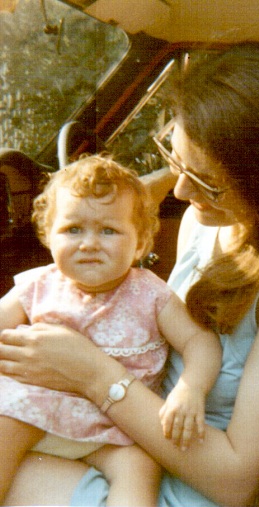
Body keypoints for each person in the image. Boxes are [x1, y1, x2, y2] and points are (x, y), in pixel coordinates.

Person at [0, 42, 259, 506]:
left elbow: (236, 481)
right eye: (176, 160)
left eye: (207, 179)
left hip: (179, 485)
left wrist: (91, 374)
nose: (180, 188)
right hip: (129, 434)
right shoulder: (211, 216)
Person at [0, 155, 222, 506]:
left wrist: (190, 388)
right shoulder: (38, 285)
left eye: (108, 230)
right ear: (48, 235)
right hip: (36, 410)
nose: (89, 243)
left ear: (140, 242)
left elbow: (200, 341)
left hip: (115, 428)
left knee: (141, 467)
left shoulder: (151, 294)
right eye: (73, 229)